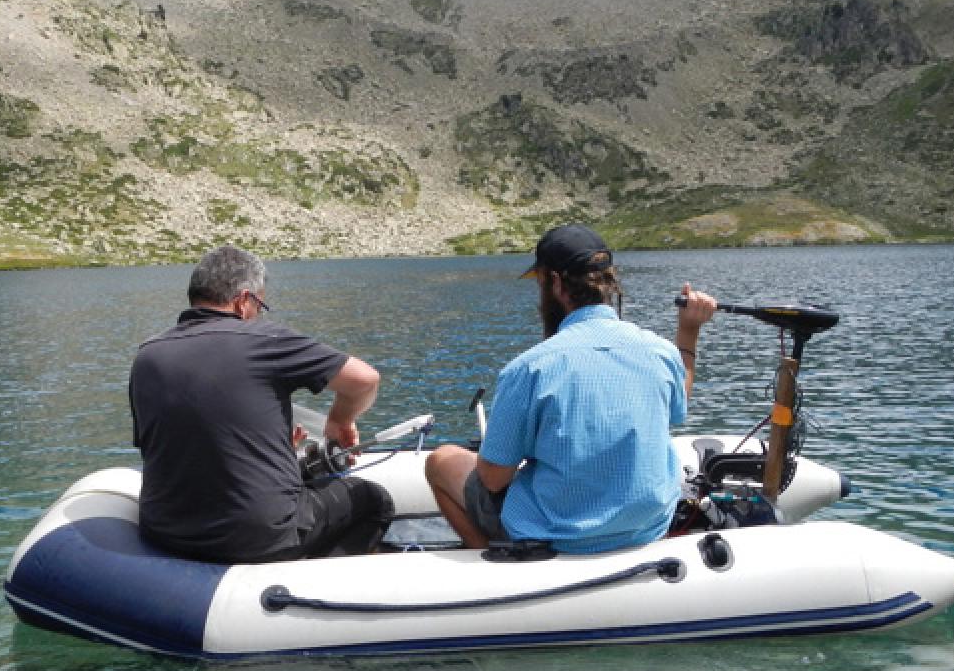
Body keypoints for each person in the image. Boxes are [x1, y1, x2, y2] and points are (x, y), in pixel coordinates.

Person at [424, 224, 717, 552]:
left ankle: (491, 560)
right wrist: (688, 332)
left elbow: (493, 479)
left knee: (441, 460)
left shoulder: (529, 368)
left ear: (556, 283)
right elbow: (679, 400)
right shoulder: (661, 351)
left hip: (559, 535)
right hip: (645, 528)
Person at [129, 245, 394, 563]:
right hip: (256, 537)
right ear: (244, 301)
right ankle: (318, 586)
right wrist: (340, 421)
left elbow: (183, 444)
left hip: (166, 533)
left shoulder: (146, 357)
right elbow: (365, 380)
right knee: (372, 499)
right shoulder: (265, 340)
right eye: (260, 305)